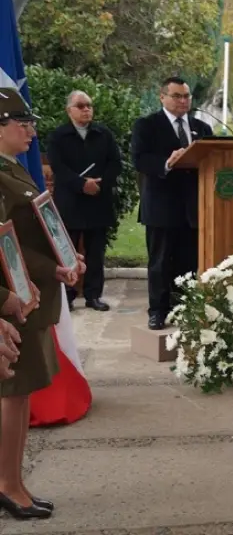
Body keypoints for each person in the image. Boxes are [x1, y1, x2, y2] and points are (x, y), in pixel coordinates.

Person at [0, 87, 81, 519]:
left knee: (22, 392)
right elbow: (2, 246)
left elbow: (33, 234)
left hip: (29, 294)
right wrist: (48, 272)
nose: (30, 130)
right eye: (21, 123)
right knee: (13, 394)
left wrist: (63, 262)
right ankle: (8, 485)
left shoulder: (13, 169)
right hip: (14, 300)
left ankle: (14, 482)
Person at [130, 77, 212, 330]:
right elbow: (140, 159)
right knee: (160, 262)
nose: (183, 101)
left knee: (189, 262)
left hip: (194, 207)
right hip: (161, 207)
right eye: (177, 96)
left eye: (186, 96)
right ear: (162, 96)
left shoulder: (201, 128)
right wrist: (167, 162)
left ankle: (184, 308)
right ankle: (158, 310)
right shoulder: (147, 125)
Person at [44, 90, 121, 311]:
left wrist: (99, 183)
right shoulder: (59, 136)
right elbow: (58, 166)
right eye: (81, 105)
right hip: (71, 201)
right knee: (68, 250)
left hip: (98, 199)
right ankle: (67, 295)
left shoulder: (103, 133)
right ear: (69, 110)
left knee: (96, 252)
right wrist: (81, 184)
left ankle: (93, 295)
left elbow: (115, 163)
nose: (86, 109)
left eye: (89, 105)